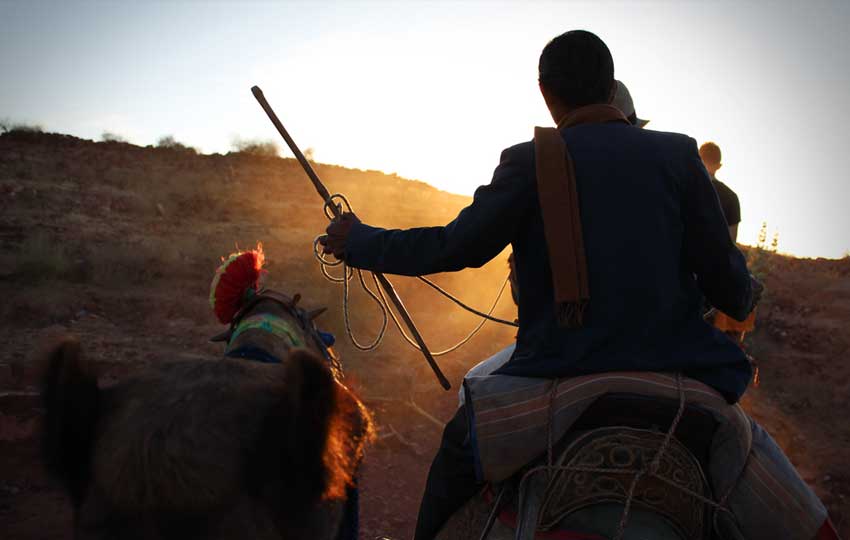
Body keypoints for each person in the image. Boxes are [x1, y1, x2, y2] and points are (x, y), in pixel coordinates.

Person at [320, 30, 834, 540]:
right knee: (794, 512)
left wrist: (360, 240)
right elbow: (731, 289)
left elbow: (453, 247)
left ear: (545, 93)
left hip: (556, 372)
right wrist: (741, 293)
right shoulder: (679, 156)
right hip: (680, 372)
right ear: (612, 89)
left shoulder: (527, 161)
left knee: (458, 451)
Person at [699, 141, 741, 241]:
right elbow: (731, 242)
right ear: (719, 166)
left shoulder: (682, 185)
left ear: (698, 159)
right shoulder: (731, 198)